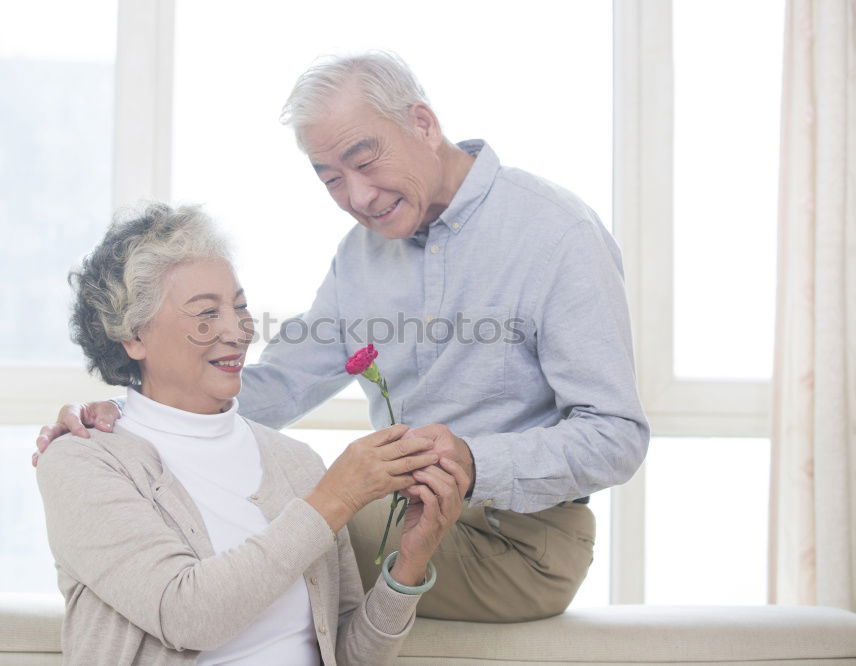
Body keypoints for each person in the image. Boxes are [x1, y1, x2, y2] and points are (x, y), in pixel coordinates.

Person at [36, 52, 650, 623]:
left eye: (364, 159)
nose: (355, 197)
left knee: (266, 520)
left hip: (520, 542)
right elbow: (279, 385)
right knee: (213, 525)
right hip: (400, 513)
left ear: (424, 123)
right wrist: (128, 422)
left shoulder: (556, 233)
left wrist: (472, 461)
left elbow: (617, 436)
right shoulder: (361, 255)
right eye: (329, 178)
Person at [36, 203, 468, 665]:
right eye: (206, 314)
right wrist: (336, 499)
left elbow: (346, 656)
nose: (239, 331)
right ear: (134, 336)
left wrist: (409, 563)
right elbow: (186, 615)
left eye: (239, 307)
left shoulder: (295, 462)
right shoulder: (83, 461)